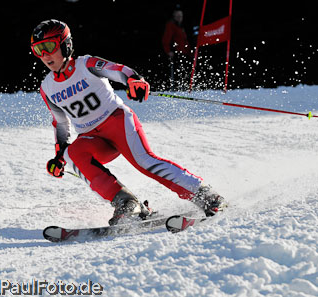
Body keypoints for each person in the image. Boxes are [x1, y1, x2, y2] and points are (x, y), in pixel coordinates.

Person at [30, 19, 226, 225]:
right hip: (94, 138)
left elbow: (118, 70)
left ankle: (208, 196)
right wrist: (60, 154)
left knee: (145, 162)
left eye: (49, 47)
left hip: (118, 123)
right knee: (73, 154)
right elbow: (61, 123)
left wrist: (134, 79)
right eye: (38, 50)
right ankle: (127, 204)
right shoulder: (48, 87)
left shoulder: (86, 64)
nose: (45, 55)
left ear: (65, 44)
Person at [161, 6, 193, 90]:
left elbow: (185, 41)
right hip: (176, 52)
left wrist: (190, 53)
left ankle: (184, 87)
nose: (179, 18)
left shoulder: (181, 26)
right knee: (177, 72)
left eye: (181, 16)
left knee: (185, 71)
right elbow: (166, 39)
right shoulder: (171, 25)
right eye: (178, 16)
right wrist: (168, 51)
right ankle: (176, 88)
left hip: (184, 52)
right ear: (174, 16)